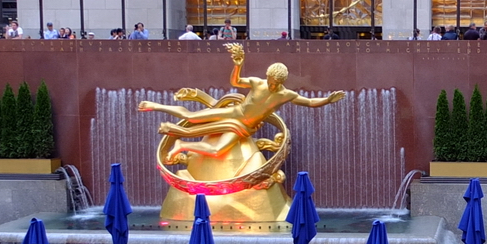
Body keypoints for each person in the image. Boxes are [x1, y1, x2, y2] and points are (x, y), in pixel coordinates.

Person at [138, 46, 346, 164]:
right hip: (232, 112)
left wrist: (328, 100)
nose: (271, 84)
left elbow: (309, 102)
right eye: (269, 79)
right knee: (192, 117)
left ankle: (182, 145)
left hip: (243, 127)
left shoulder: (285, 95)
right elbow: (235, 83)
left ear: (281, 81)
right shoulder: (257, 83)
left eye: (274, 82)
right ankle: (155, 106)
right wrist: (237, 66)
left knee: (218, 149)